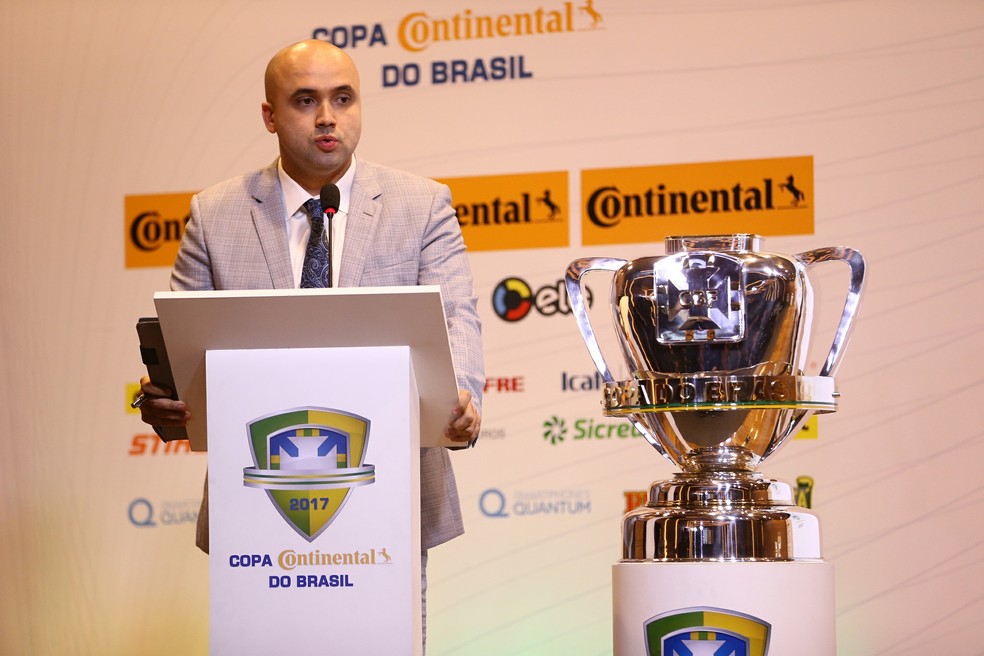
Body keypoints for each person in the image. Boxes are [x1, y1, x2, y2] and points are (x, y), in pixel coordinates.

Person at [137, 38, 484, 644]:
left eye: (343, 98)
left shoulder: (421, 205)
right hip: (260, 510)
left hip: (387, 504)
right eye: (306, 100)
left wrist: (463, 401)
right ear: (270, 115)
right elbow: (181, 355)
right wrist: (165, 406)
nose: (328, 117)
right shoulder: (214, 215)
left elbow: (457, 323)